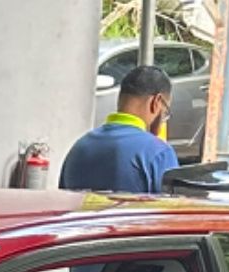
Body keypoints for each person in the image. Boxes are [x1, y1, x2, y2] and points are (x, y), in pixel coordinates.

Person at [59, 66, 180, 195]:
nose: (163, 120)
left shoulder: (78, 148)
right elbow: (177, 206)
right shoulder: (159, 153)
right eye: (165, 112)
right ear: (156, 102)